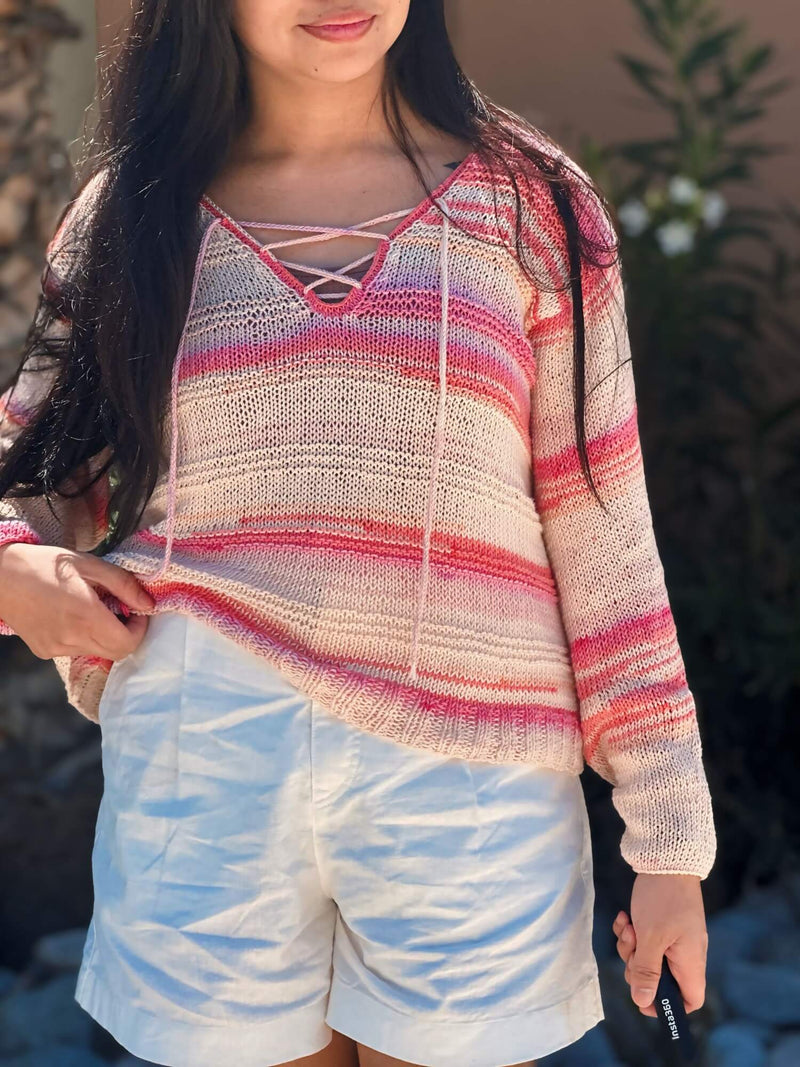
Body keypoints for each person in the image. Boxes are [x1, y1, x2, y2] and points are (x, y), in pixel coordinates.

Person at [0, 2, 716, 1066]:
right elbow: (29, 467)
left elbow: (604, 529)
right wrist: (16, 573)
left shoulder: (532, 207)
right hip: (206, 762)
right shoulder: (130, 214)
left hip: (469, 779)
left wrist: (668, 842)